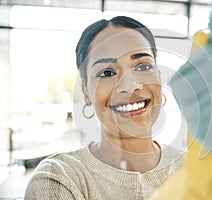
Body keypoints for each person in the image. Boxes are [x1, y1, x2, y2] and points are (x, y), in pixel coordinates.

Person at [25, 16, 184, 200]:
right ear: (86, 92)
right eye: (107, 72)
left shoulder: (195, 169)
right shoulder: (59, 179)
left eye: (142, 67)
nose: (130, 86)